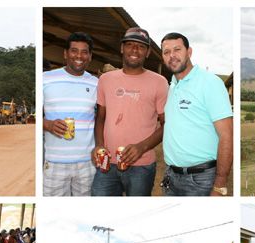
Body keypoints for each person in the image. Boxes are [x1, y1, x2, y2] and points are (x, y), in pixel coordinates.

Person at [91, 27, 168, 196]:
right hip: (107, 164)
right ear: (121, 48)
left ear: (147, 52)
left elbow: (167, 124)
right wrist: (99, 146)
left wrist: (142, 147)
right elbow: (100, 118)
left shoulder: (159, 82)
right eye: (130, 45)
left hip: (141, 165)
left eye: (141, 46)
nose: (135, 50)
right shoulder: (105, 80)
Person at [160, 32, 233, 196]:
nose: (172, 56)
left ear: (189, 52)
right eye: (166, 52)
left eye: (177, 49)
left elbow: (227, 135)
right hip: (171, 177)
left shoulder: (210, 83)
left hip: (200, 180)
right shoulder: (172, 86)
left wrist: (220, 185)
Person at [43, 32, 99, 196]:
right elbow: (31, 118)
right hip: (55, 162)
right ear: (66, 54)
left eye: (84, 52)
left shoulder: (96, 83)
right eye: (74, 51)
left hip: (87, 163)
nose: (79, 56)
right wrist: (48, 124)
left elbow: (102, 117)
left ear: (89, 56)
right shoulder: (45, 79)